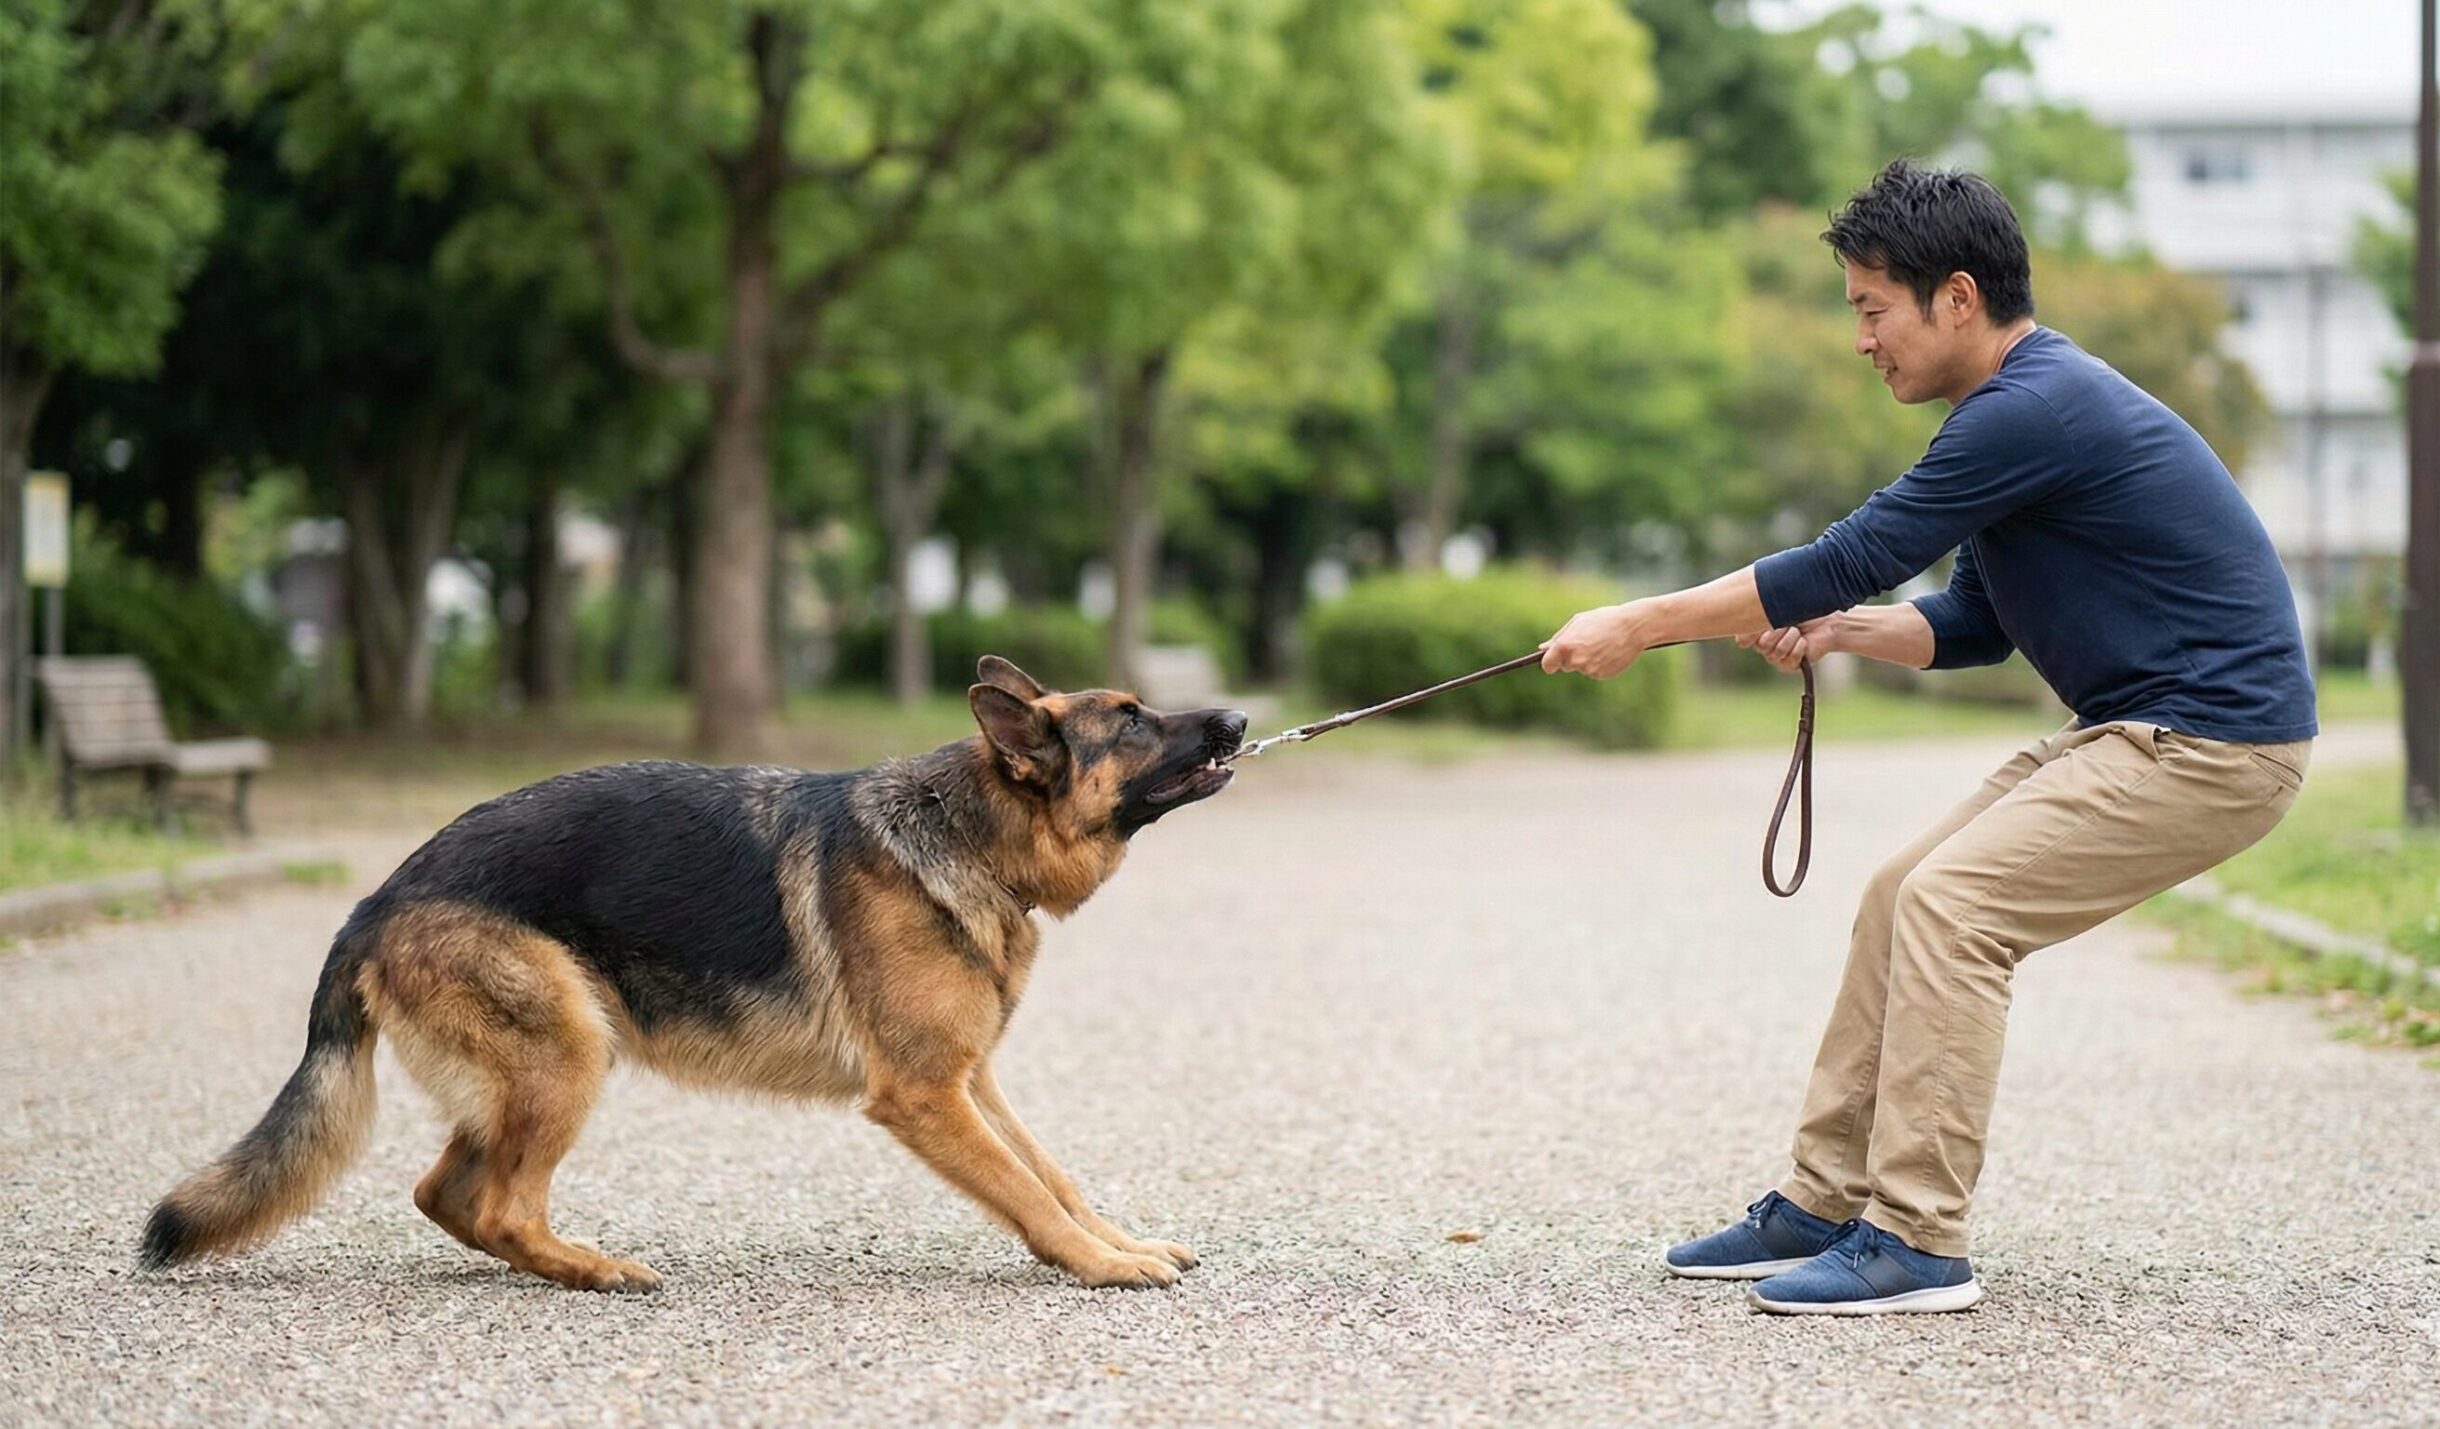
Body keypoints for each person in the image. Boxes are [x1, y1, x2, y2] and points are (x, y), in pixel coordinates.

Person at [1538, 159, 2316, 1316]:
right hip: (2132, 730)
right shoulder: (2014, 417)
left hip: (2211, 744)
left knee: (1955, 908)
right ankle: (1822, 1200)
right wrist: (1837, 633)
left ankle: (1916, 1238)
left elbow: (1843, 552)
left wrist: (1639, 622)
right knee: (1903, 889)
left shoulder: (2033, 408)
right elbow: (1977, 625)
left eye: (1870, 309)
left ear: (1956, 299)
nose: (1860, 339)